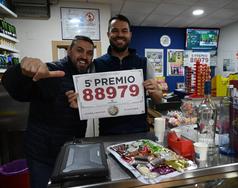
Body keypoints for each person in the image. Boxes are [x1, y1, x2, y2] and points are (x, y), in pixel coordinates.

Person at [2, 35, 95, 188]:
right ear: (69, 51)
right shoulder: (52, 71)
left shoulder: (87, 78)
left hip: (71, 152)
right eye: (79, 50)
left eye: (89, 53)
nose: (84, 56)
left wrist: (82, 107)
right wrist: (21, 72)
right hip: (43, 155)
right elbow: (16, 90)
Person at [70, 14, 162, 136]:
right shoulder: (96, 64)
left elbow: (158, 100)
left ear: (130, 34)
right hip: (108, 133)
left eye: (124, 31)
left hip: (139, 132)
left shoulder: (144, 63)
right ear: (108, 34)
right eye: (115, 31)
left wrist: (156, 92)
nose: (120, 35)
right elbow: (87, 98)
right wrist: (79, 101)